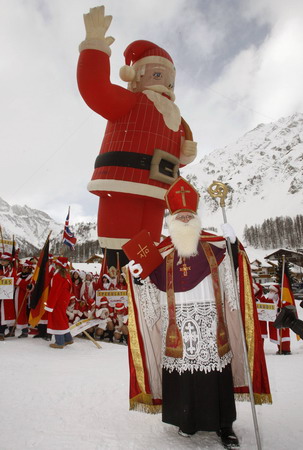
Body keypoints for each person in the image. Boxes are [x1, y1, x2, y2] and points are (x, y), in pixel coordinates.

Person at [127, 177, 271, 449]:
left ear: (196, 218)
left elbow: (236, 271)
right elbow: (145, 283)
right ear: (171, 220)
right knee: (184, 377)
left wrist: (233, 244)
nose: (183, 220)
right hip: (177, 324)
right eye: (179, 216)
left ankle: (224, 425)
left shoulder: (214, 247)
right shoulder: (162, 254)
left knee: (215, 376)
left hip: (210, 323)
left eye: (188, 216)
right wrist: (137, 277)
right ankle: (187, 421)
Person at [77, 6, 197, 266]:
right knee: (120, 246)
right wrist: (95, 46)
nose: (165, 84)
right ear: (134, 77)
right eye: (157, 75)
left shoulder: (176, 118)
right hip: (123, 182)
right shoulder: (131, 101)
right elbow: (94, 88)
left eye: (169, 80)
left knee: (149, 251)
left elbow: (172, 156)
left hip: (158, 190)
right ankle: (116, 294)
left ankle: (145, 297)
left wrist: (184, 156)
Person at [44, 256, 74, 349]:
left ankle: (59, 342)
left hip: (58, 301)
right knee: (62, 318)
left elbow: (55, 291)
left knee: (57, 319)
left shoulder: (58, 276)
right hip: (63, 300)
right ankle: (68, 339)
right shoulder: (66, 274)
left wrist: (50, 304)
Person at [266, 285, 291, 355]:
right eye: (270, 291)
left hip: (283, 321)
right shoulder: (269, 301)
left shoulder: (282, 301)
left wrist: (281, 310)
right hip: (274, 321)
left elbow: (289, 307)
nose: (271, 293)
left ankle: (286, 350)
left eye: (273, 291)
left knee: (284, 336)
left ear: (277, 293)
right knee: (277, 336)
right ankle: (280, 348)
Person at [14, 259, 34, 338]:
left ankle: (24, 331)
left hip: (24, 297)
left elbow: (28, 286)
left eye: (25, 268)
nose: (24, 269)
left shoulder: (31, 277)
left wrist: (19, 283)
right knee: (16, 312)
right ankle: (13, 329)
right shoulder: (19, 274)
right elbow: (15, 281)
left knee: (22, 314)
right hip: (16, 295)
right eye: (23, 268)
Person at [0, 252, 16, 340]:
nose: (2, 261)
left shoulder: (11, 269)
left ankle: (2, 332)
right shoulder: (2, 268)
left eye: (4, 260)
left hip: (7, 294)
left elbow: (13, 279)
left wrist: (4, 278)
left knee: (5, 313)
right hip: (2, 293)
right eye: (1, 260)